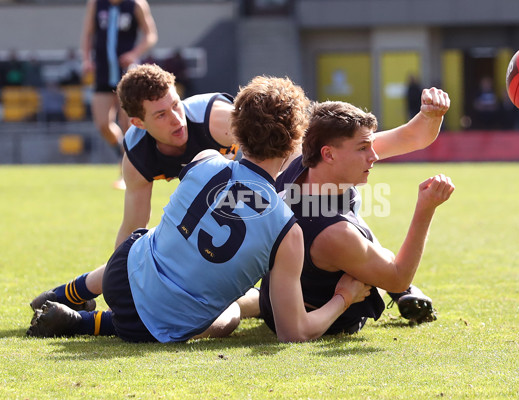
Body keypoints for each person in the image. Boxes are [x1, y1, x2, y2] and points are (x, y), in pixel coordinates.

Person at [27, 76, 371, 343]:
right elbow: (293, 332)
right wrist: (344, 297)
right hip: (156, 321)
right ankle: (88, 322)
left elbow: (223, 204)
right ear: (296, 141)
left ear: (235, 129)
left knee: (152, 241)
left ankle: (66, 293)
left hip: (121, 272)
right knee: (229, 316)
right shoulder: (287, 229)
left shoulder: (204, 159)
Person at [29, 63, 245, 317]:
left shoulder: (221, 121)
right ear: (138, 123)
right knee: (165, 248)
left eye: (176, 104)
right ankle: (69, 296)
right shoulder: (137, 156)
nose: (177, 119)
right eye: (161, 115)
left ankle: (70, 293)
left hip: (249, 195)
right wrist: (117, 288)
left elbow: (276, 157)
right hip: (214, 205)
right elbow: (133, 230)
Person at [259, 88, 454, 336]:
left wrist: (431, 114)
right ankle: (397, 291)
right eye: (363, 148)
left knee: (359, 232)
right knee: (380, 257)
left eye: (371, 145)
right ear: (328, 154)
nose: (373, 156)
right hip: (320, 318)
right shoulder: (333, 233)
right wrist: (425, 208)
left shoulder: (305, 160)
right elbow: (398, 276)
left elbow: (411, 137)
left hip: (273, 300)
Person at [81, 0, 158, 188]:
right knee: (102, 123)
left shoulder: (136, 5)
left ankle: (127, 173)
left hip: (126, 73)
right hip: (103, 72)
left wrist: (134, 53)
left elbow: (150, 35)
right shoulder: (96, 4)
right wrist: (86, 59)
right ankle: (123, 155)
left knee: (127, 124)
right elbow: (88, 33)